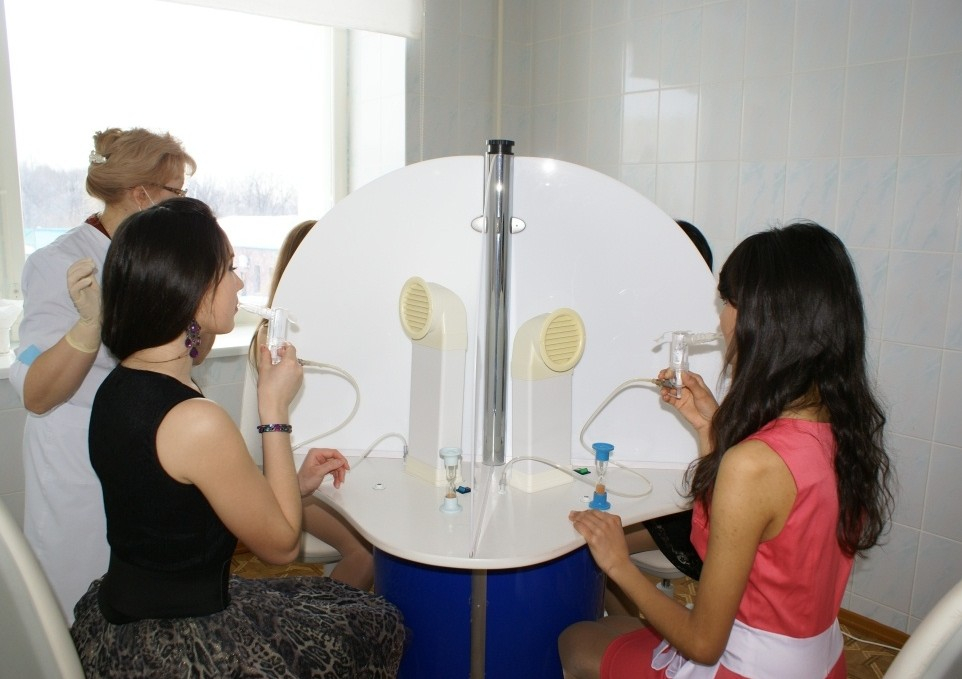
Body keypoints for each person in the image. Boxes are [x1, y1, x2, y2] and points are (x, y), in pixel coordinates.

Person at [70, 198, 406, 678]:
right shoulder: (194, 419)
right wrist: (275, 408)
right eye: (229, 269)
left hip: (122, 618)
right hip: (177, 645)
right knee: (377, 623)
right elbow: (282, 547)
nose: (241, 283)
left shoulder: (120, 386)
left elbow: (175, 506)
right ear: (192, 288)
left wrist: (295, 483)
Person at [560, 221, 893, 678]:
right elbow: (774, 528)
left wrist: (618, 563)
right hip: (819, 662)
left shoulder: (753, 464)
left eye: (729, 303)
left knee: (576, 641)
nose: (722, 320)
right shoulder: (840, 427)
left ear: (766, 321)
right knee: (613, 629)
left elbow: (702, 642)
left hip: (743, 668)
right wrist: (709, 428)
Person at [9, 127, 196, 622]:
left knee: (133, 600)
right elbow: (37, 391)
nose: (182, 203)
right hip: (77, 451)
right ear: (141, 194)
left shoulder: (152, 258)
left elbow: (187, 351)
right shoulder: (61, 263)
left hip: (139, 442)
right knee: (77, 594)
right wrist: (88, 327)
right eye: (176, 192)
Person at [248, 219, 375, 591]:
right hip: (286, 477)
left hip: (321, 467)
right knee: (367, 552)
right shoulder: (275, 341)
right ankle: (328, 623)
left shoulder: (337, 325)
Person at [607, 219, 712, 616]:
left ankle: (632, 636)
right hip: (650, 485)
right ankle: (627, 632)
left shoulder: (705, 337)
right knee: (593, 537)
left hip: (687, 509)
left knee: (591, 548)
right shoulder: (638, 325)